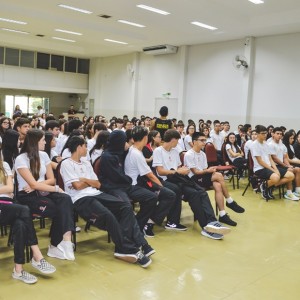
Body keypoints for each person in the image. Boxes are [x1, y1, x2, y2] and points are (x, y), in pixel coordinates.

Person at [59, 136, 153, 267]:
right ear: (79, 147)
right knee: (108, 216)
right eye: (85, 146)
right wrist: (87, 182)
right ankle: (126, 249)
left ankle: (135, 243)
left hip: (96, 193)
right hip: (81, 199)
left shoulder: (86, 163)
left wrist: (84, 179)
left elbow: (97, 184)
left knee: (125, 206)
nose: (87, 149)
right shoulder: (66, 163)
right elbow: (77, 187)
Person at [152, 129, 231, 240]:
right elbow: (160, 171)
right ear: (173, 140)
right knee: (194, 193)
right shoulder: (158, 151)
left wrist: (183, 170)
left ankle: (212, 222)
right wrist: (178, 171)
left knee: (201, 192)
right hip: (166, 180)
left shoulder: (174, 151)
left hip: (178, 178)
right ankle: (206, 227)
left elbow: (179, 167)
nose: (178, 143)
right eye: (177, 140)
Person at [14, 129, 76, 260]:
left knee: (65, 199)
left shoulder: (44, 155)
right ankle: (54, 246)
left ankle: (66, 241)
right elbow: (36, 185)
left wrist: (37, 185)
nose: (45, 142)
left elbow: (51, 179)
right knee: (59, 208)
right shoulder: (21, 158)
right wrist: (55, 188)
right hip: (27, 195)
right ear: (35, 142)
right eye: (43, 140)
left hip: (44, 190)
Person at [0, 151, 56, 284]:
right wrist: (6, 189)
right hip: (7, 207)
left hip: (8, 205)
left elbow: (9, 188)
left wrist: (6, 189)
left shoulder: (4, 165)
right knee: (24, 210)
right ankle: (37, 256)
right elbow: (7, 188)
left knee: (20, 223)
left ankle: (18, 270)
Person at [98, 130, 158, 233]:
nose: (125, 143)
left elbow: (130, 149)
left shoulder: (120, 152)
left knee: (151, 197)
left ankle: (138, 226)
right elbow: (116, 177)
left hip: (125, 186)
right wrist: (129, 179)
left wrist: (127, 147)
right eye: (123, 141)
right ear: (118, 142)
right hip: (113, 188)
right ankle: (126, 234)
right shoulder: (107, 157)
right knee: (126, 206)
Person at [125, 126, 179, 237]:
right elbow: (150, 175)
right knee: (167, 195)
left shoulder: (134, 149)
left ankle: (148, 222)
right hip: (135, 185)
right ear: (145, 138)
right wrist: (160, 187)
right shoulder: (136, 153)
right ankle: (141, 223)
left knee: (169, 193)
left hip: (139, 182)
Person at [184, 132, 245, 226]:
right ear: (195, 141)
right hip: (194, 179)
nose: (204, 142)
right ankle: (229, 201)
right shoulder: (189, 154)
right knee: (219, 175)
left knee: (218, 185)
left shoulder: (203, 154)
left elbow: (204, 169)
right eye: (202, 140)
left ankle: (222, 214)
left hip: (202, 176)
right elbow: (195, 172)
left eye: (205, 140)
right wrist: (208, 171)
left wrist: (208, 170)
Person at [250, 125, 295, 200]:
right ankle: (264, 186)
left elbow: (270, 159)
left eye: (266, 133)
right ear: (257, 134)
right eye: (262, 133)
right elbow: (260, 161)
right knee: (276, 177)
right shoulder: (254, 145)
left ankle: (269, 186)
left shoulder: (266, 144)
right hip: (260, 168)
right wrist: (274, 170)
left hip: (269, 167)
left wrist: (275, 169)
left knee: (291, 175)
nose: (265, 135)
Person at [268, 127, 300, 200]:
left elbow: (285, 158)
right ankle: (289, 193)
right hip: (273, 166)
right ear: (273, 134)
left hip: (281, 165)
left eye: (280, 134)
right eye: (277, 134)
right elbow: (274, 158)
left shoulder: (282, 145)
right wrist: (286, 166)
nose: (279, 135)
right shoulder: (270, 144)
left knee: (297, 169)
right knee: (290, 170)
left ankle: (297, 190)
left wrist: (289, 165)